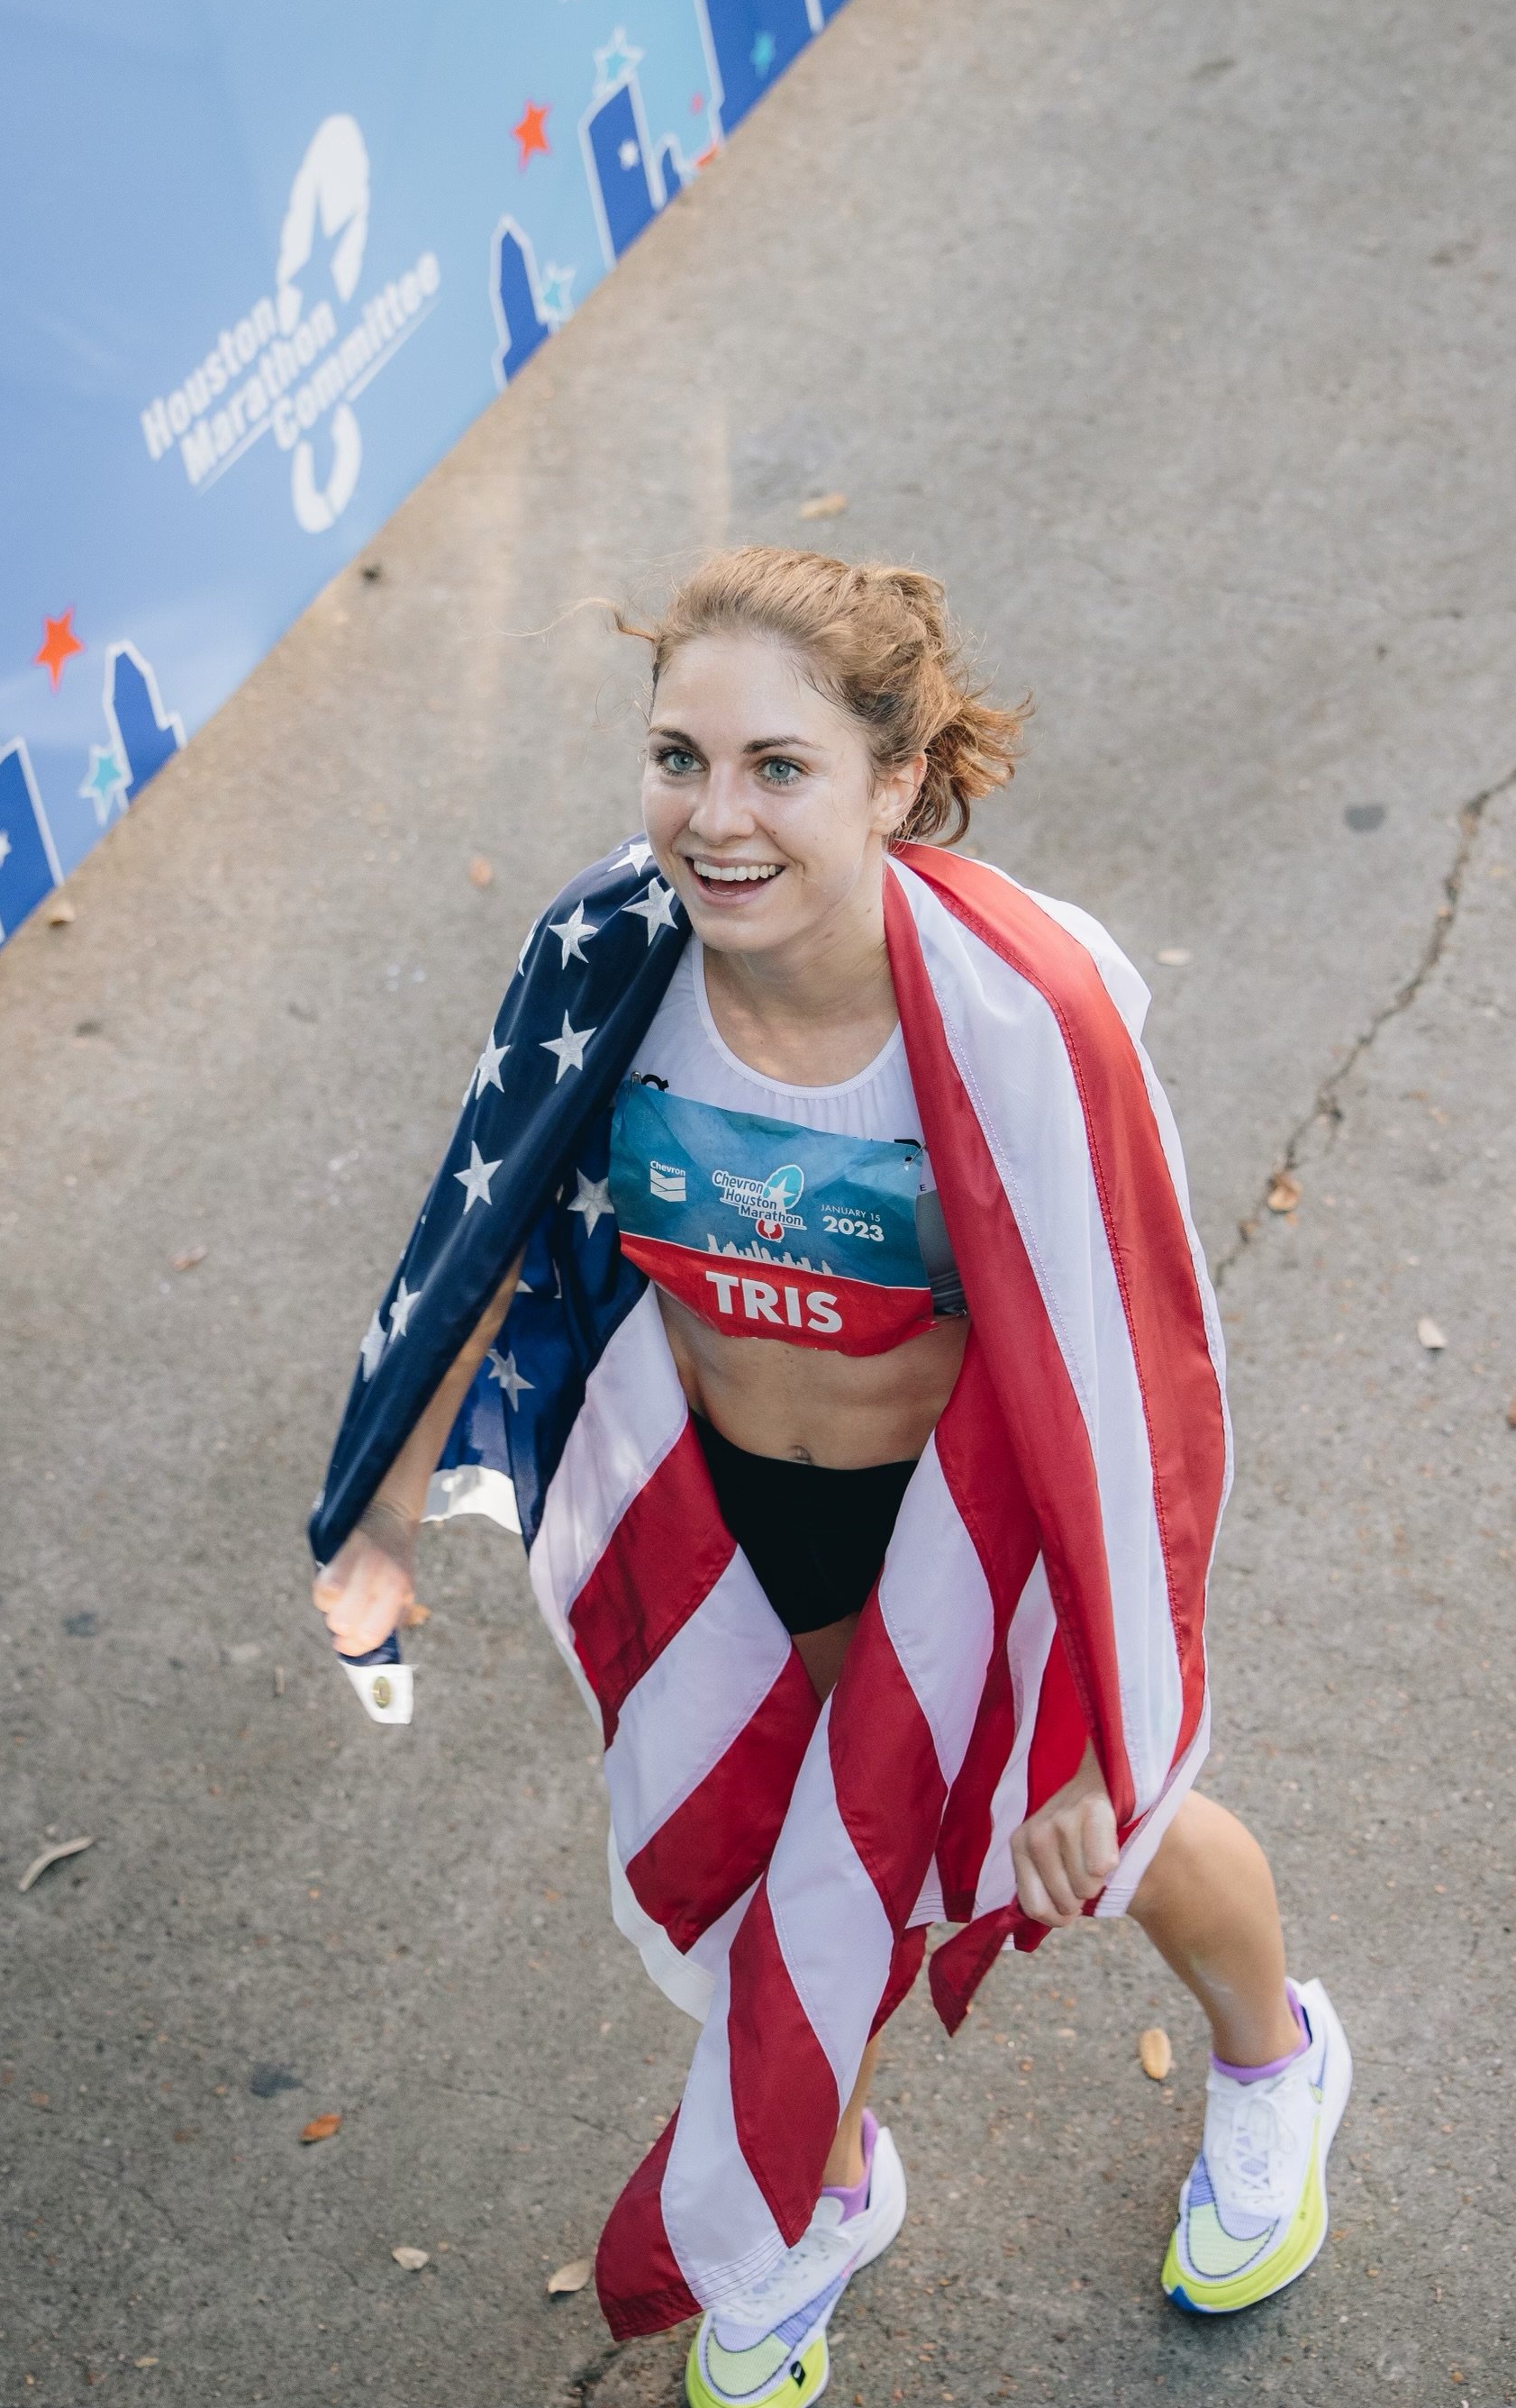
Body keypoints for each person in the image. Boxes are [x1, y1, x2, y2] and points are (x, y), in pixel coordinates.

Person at [309, 548, 1348, 2407]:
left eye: (777, 766)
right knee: (796, 1864)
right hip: (732, 1519)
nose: (715, 819)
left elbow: (1134, 1380)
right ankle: (818, 2180)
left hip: (976, 1545)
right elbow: (505, 1232)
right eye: (677, 756)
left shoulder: (1028, 1011)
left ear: (895, 775)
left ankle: (1275, 2058)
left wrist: (1104, 1721)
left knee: (1114, 1846)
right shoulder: (605, 960)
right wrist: (386, 1509)